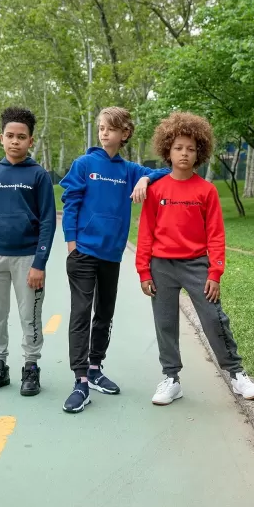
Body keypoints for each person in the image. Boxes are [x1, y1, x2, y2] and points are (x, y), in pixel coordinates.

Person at [135, 112, 254, 406]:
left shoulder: (207, 190)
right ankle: (171, 379)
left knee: (215, 319)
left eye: (190, 149)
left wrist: (214, 273)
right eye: (178, 147)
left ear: (199, 153)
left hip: (197, 266)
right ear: (168, 150)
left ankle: (237, 374)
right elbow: (145, 234)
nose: (184, 153)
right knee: (165, 324)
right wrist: (144, 271)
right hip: (161, 267)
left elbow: (216, 235)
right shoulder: (155, 190)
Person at [59, 106, 170, 413]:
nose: (104, 133)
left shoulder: (129, 170)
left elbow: (165, 172)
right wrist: (72, 244)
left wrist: (144, 179)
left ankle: (95, 368)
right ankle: (80, 381)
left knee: (104, 313)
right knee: (81, 314)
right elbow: (70, 203)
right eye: (101, 128)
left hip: (111, 254)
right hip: (83, 252)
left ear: (125, 133)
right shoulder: (84, 164)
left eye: (110, 128)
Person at [0, 107, 56, 397]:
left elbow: (47, 221)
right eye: (10, 136)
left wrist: (39, 262)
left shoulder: (39, 175)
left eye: (21, 137)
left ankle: (31, 367)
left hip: (28, 260)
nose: (15, 141)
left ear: (30, 141)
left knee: (30, 317)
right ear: (1, 138)